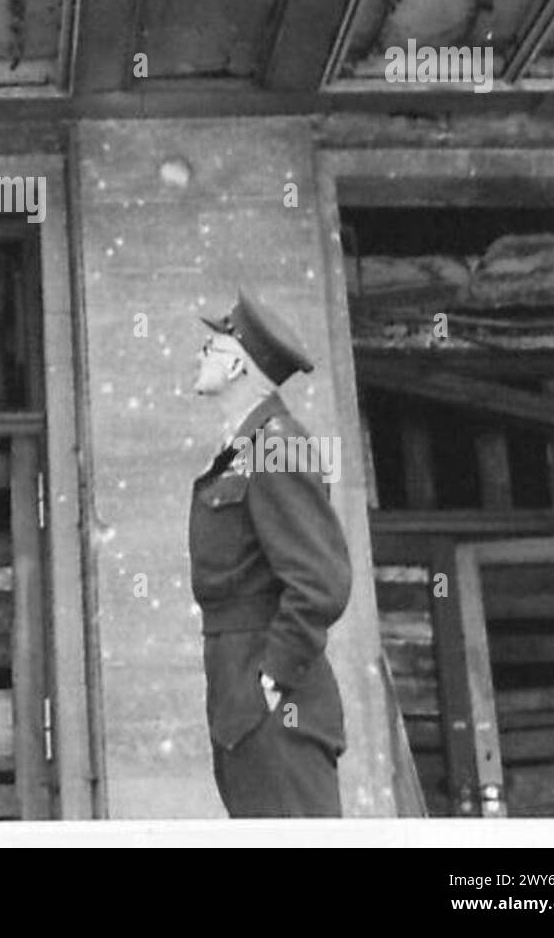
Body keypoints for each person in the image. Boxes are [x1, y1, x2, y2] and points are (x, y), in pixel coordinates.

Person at [189, 289, 353, 817]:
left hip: (278, 712)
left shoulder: (276, 445)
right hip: (240, 704)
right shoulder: (246, 448)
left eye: (209, 348)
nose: (199, 356)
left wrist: (272, 678)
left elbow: (321, 581)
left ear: (237, 364)